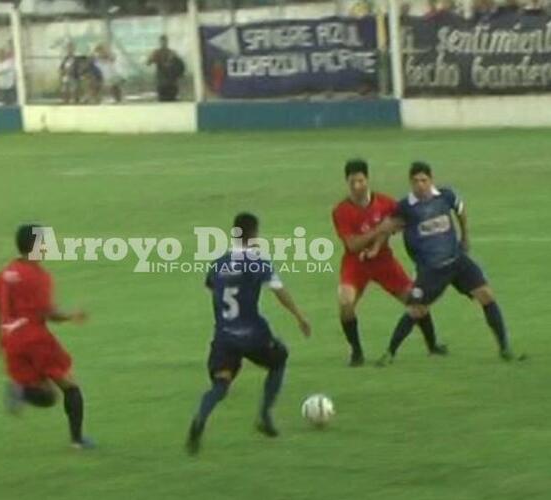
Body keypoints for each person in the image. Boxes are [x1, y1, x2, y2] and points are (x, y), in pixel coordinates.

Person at [186, 213, 312, 455]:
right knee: (279, 358)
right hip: (252, 334)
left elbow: (212, 287)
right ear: (254, 235)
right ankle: (264, 415)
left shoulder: (219, 262)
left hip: (224, 336)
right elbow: (278, 290)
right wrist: (299, 316)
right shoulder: (258, 261)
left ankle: (200, 418)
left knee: (221, 384)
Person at [375, 162, 518, 364]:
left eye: (424, 180)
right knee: (416, 310)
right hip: (431, 270)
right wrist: (374, 247)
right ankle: (390, 353)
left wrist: (465, 237)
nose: (420, 185)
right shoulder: (405, 206)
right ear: (410, 183)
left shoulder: (445, 195)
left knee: (486, 294)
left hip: (457, 261)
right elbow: (388, 227)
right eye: (415, 181)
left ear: (431, 180)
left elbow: (460, 209)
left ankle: (505, 348)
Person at [332, 160, 446, 366]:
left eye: (360, 181)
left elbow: (401, 221)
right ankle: (356, 352)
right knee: (345, 302)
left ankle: (433, 345)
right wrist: (380, 229)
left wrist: (380, 241)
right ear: (346, 183)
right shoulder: (341, 211)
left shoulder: (386, 203)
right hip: (355, 263)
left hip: (384, 261)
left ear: (367, 179)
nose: (357, 186)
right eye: (352, 182)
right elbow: (353, 245)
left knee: (416, 299)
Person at [0, 224, 93, 449]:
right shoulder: (39, 276)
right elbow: (49, 314)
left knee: (48, 395)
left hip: (12, 342)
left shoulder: (5, 273)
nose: (47, 246)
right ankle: (77, 441)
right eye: (44, 242)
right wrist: (72, 315)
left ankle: (21, 391)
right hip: (35, 339)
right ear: (35, 245)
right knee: (71, 386)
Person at [147, 35, 185, 102]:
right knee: (163, 101)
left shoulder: (171, 53)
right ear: (160, 42)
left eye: (164, 41)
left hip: (171, 83)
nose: (163, 43)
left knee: (172, 101)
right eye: (162, 41)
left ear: (167, 42)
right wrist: (152, 58)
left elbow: (180, 66)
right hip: (162, 83)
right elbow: (148, 63)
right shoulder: (157, 53)